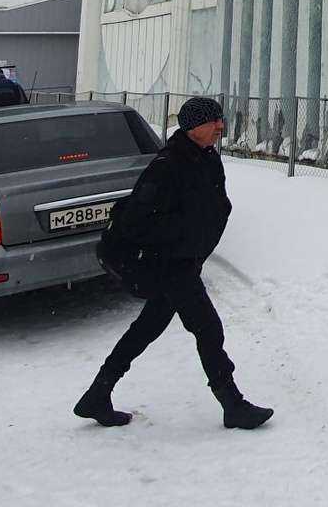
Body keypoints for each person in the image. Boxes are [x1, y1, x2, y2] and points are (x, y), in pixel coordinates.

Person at [75, 97, 273, 430]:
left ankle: (98, 394)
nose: (220, 127)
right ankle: (232, 403)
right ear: (193, 127)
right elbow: (137, 223)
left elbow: (213, 205)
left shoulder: (205, 158)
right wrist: (186, 232)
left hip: (184, 261)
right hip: (169, 264)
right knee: (208, 328)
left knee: (146, 328)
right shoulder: (167, 167)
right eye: (213, 121)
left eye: (220, 120)